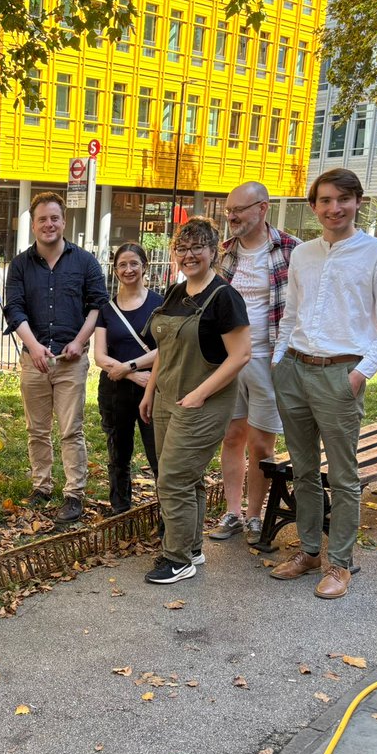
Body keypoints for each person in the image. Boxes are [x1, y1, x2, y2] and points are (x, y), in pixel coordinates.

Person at [269, 169, 377, 599]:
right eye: (325, 200)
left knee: (344, 477)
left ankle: (341, 564)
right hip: (294, 368)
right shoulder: (303, 254)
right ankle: (310, 551)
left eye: (343, 199)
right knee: (304, 469)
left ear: (358, 202)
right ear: (314, 206)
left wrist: (358, 375)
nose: (334, 208)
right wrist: (278, 362)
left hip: (341, 372)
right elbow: (291, 313)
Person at [139, 217, 250, 585]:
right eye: (182, 248)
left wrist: (199, 394)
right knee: (190, 478)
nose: (189, 255)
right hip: (168, 397)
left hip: (202, 402)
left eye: (197, 248)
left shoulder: (224, 297)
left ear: (213, 251)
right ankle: (193, 549)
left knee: (172, 479)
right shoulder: (176, 292)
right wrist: (150, 390)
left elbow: (240, 355)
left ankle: (177, 558)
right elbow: (164, 349)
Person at [4, 192, 109, 523]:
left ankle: (74, 493)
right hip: (33, 359)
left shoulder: (86, 262)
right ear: (33, 225)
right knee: (36, 430)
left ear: (64, 221)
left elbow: (98, 305)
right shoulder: (20, 265)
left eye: (54, 218)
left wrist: (80, 342)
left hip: (70, 361)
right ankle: (42, 486)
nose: (48, 224)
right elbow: (14, 308)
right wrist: (33, 346)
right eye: (42, 219)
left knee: (70, 430)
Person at [210, 182, 301, 544]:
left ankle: (254, 515)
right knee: (231, 436)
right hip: (230, 361)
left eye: (239, 210)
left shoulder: (292, 250)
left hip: (269, 361)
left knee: (262, 444)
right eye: (228, 209)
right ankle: (232, 512)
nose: (231, 216)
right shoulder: (224, 253)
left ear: (262, 209)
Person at [92, 242, 162, 515]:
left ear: (144, 266)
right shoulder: (106, 309)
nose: (129, 269)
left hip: (153, 388)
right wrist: (133, 374)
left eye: (134, 263)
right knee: (117, 454)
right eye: (123, 264)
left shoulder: (160, 304)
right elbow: (100, 356)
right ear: (116, 269)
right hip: (115, 390)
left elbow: (165, 348)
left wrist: (130, 365)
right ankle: (120, 510)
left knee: (158, 456)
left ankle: (166, 517)